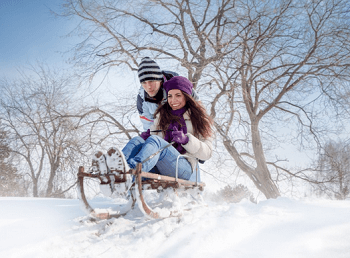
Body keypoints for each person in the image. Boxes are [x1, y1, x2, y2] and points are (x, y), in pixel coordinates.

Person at [116, 76, 213, 181]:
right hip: (159, 165)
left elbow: (207, 153)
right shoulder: (162, 116)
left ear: (186, 96)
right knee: (137, 140)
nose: (173, 100)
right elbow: (152, 141)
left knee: (157, 141)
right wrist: (145, 138)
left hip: (183, 167)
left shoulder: (199, 119)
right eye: (170, 96)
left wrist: (187, 141)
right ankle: (116, 170)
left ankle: (131, 171)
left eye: (178, 95)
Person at [137, 57, 199, 131]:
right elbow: (148, 126)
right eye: (144, 82)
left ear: (159, 79)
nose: (148, 87)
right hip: (164, 133)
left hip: (187, 126)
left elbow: (198, 108)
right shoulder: (142, 100)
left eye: (151, 81)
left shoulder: (180, 84)